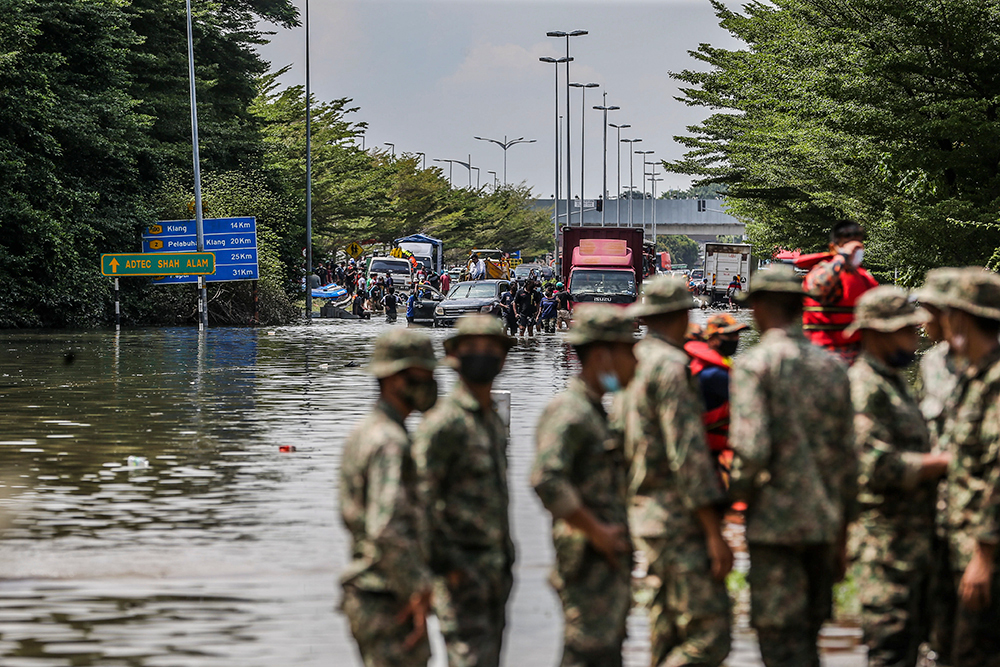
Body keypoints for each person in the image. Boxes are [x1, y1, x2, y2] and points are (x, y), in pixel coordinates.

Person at [728, 265, 858, 667]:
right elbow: (848, 460)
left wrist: (729, 505)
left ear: (762, 308)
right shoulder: (832, 366)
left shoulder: (755, 365)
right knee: (810, 633)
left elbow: (750, 449)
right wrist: (842, 536)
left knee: (779, 639)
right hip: (823, 525)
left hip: (775, 528)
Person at [622, 275, 733, 667]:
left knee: (665, 630)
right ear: (683, 314)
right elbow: (687, 453)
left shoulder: (634, 363)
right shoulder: (672, 367)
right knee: (711, 635)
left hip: (646, 512)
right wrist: (713, 532)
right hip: (678, 518)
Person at [846, 287, 950, 667]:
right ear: (878, 333)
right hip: (885, 547)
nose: (916, 337)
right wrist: (941, 464)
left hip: (912, 544)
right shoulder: (864, 387)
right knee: (890, 650)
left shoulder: (893, 383)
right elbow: (871, 464)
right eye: (907, 331)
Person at [532, 305, 637, 667]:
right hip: (587, 555)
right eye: (628, 351)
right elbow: (546, 478)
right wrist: (596, 532)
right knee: (587, 652)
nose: (633, 361)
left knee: (606, 650)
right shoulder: (569, 412)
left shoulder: (598, 411)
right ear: (601, 355)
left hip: (605, 554)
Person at [412, 315, 516, 667]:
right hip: (459, 573)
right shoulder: (443, 424)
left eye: (491, 350)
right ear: (454, 357)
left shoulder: (491, 422)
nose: (483, 356)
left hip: (495, 571)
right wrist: (443, 567)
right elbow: (420, 502)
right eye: (472, 349)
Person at [339, 329, 439, 667]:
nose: (430, 385)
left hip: (373, 593)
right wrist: (419, 588)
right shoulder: (390, 442)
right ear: (394, 379)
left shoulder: (365, 431)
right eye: (422, 377)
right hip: (388, 596)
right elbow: (388, 527)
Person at [936, 269, 1000, 667]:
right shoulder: (972, 375)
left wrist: (984, 556)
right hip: (962, 547)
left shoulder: (994, 379)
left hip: (985, 553)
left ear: (962, 316)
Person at [797, 221, 879, 365]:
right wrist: (843, 258)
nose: (854, 248)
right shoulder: (820, 272)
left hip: (859, 360)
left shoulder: (864, 277)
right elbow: (818, 288)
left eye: (858, 243)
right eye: (847, 243)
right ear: (833, 248)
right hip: (823, 359)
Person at [685, 313, 749, 473]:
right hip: (710, 452)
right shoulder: (714, 375)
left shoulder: (714, 366)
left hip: (712, 448)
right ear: (712, 340)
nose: (735, 339)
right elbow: (750, 401)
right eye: (729, 335)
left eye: (736, 335)